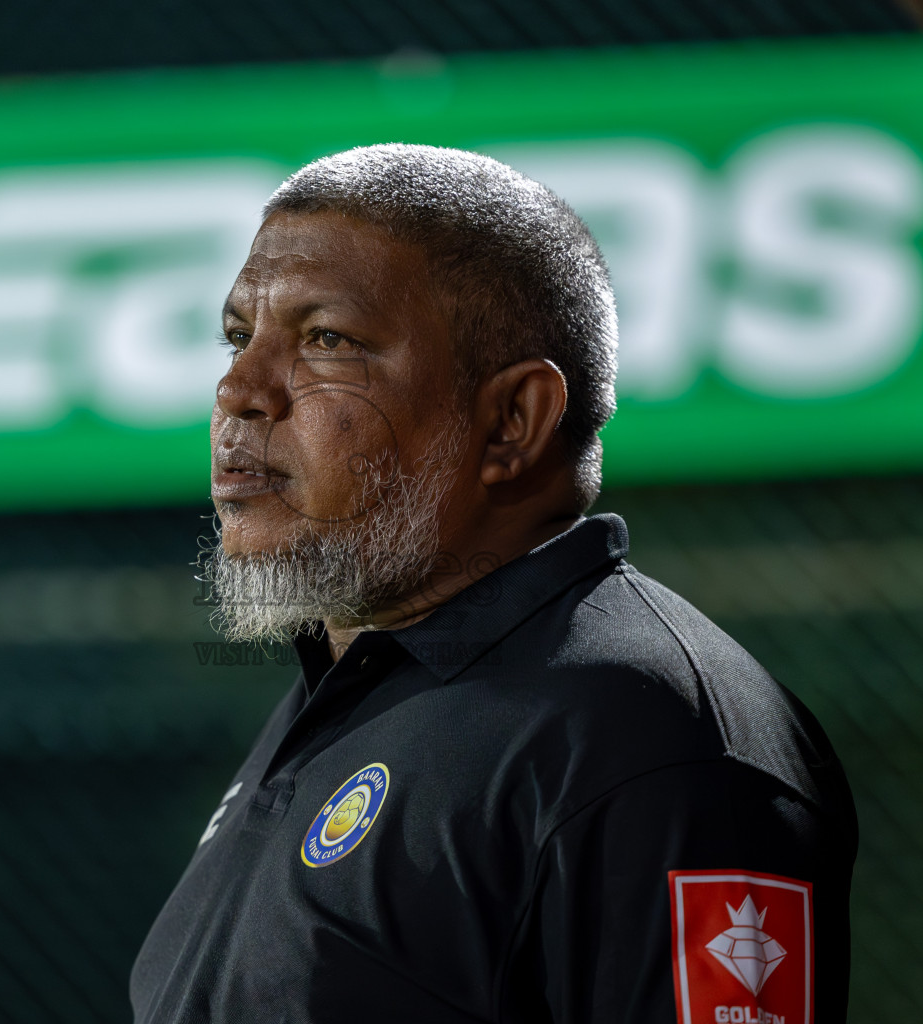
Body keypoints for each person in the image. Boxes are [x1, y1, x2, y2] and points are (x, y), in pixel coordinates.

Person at [131, 144, 856, 1024]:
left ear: (512, 420)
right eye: (240, 336)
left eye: (327, 341)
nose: (239, 389)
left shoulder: (648, 734)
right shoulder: (354, 682)